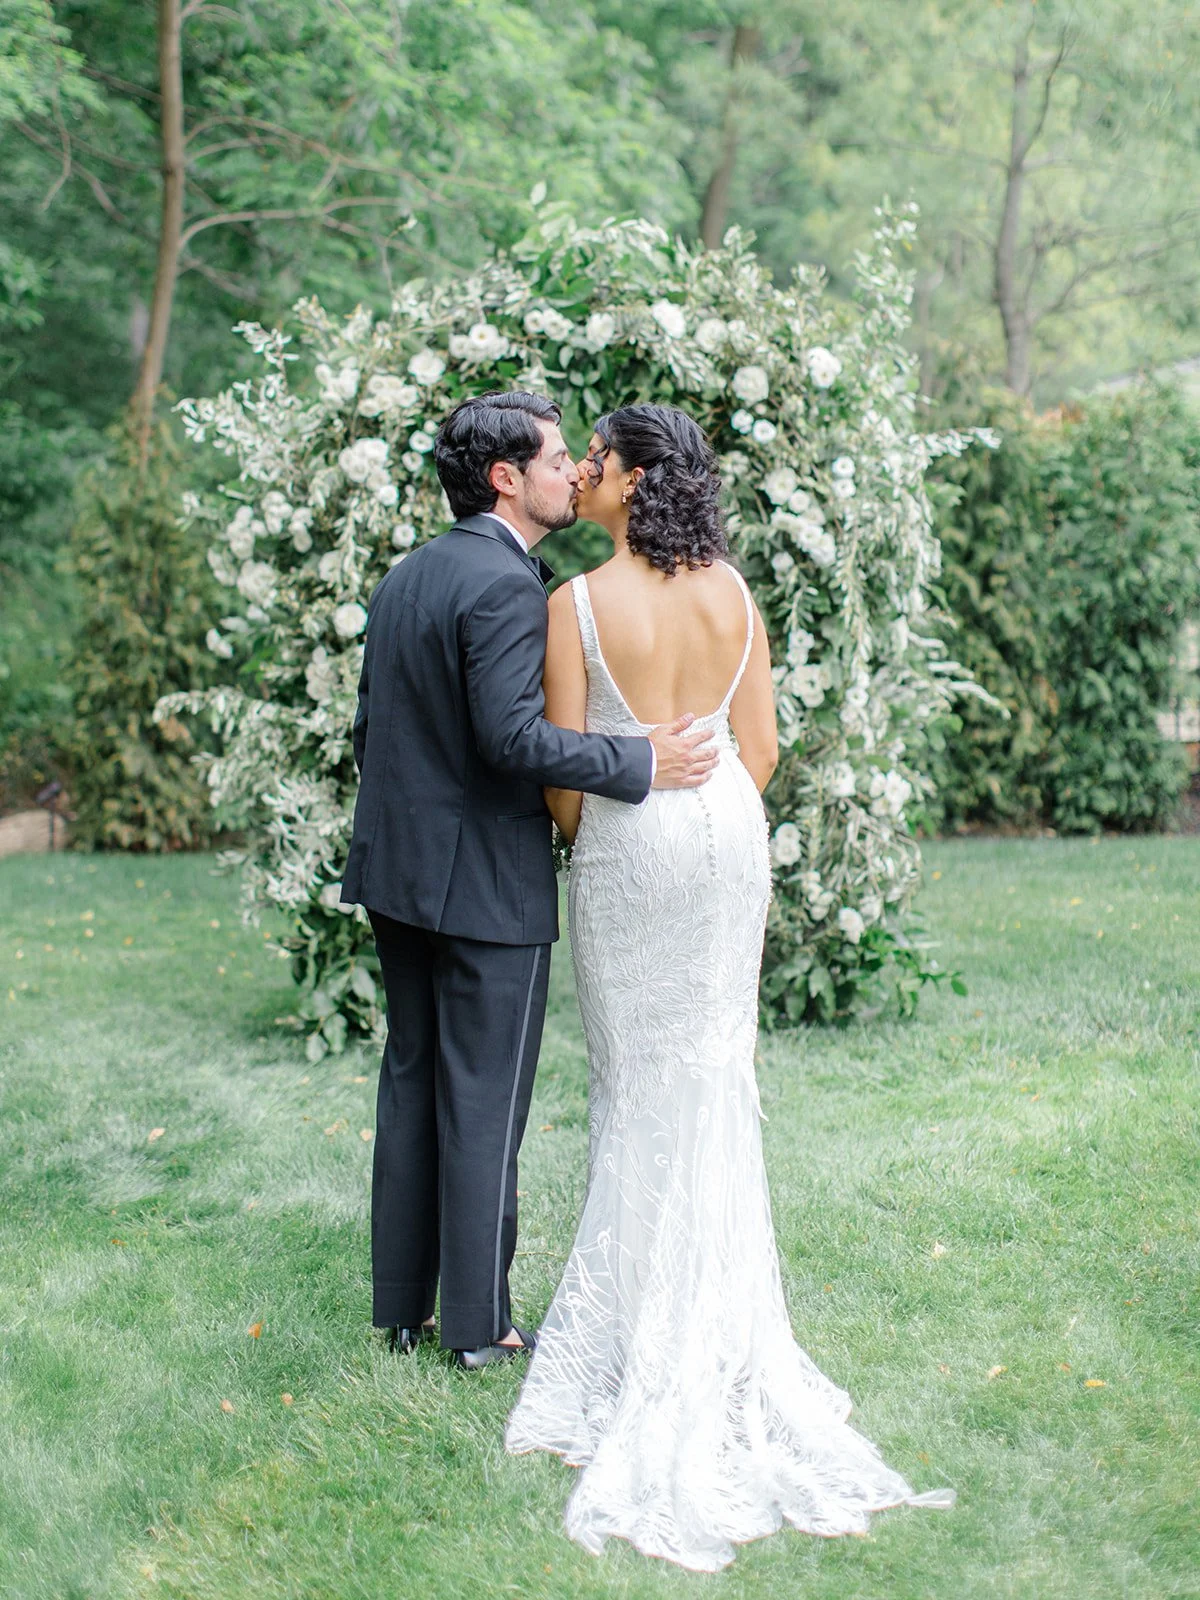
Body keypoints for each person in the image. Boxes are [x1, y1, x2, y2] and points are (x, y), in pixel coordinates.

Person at [504, 403, 953, 1569]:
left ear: (635, 478)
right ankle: (724, 1326)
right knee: (712, 1075)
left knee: (639, 1083)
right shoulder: (736, 595)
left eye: (598, 458)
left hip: (631, 839)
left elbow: (563, 788)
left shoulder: (575, 602)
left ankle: (634, 1346)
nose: (584, 472)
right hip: (728, 842)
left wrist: (618, 818)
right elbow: (757, 754)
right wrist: (709, 810)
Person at [340, 391, 718, 1370]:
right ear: (505, 477)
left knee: (415, 1080)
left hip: (398, 874)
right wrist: (638, 762)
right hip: (484, 890)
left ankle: (402, 1312)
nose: (573, 473)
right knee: (484, 1101)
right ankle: (480, 1327)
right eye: (556, 459)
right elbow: (512, 738)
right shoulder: (508, 585)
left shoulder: (408, 575)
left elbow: (369, 732)